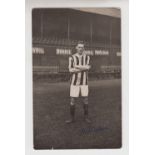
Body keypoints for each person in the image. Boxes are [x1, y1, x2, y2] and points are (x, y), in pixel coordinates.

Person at [66, 41, 91, 123]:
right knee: (72, 100)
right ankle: (71, 118)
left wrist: (76, 66)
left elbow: (88, 68)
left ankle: (86, 117)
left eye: (82, 47)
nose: (80, 49)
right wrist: (83, 68)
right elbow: (70, 70)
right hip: (74, 82)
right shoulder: (72, 57)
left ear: (84, 48)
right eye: (79, 47)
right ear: (76, 48)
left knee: (86, 100)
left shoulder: (87, 57)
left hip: (84, 82)